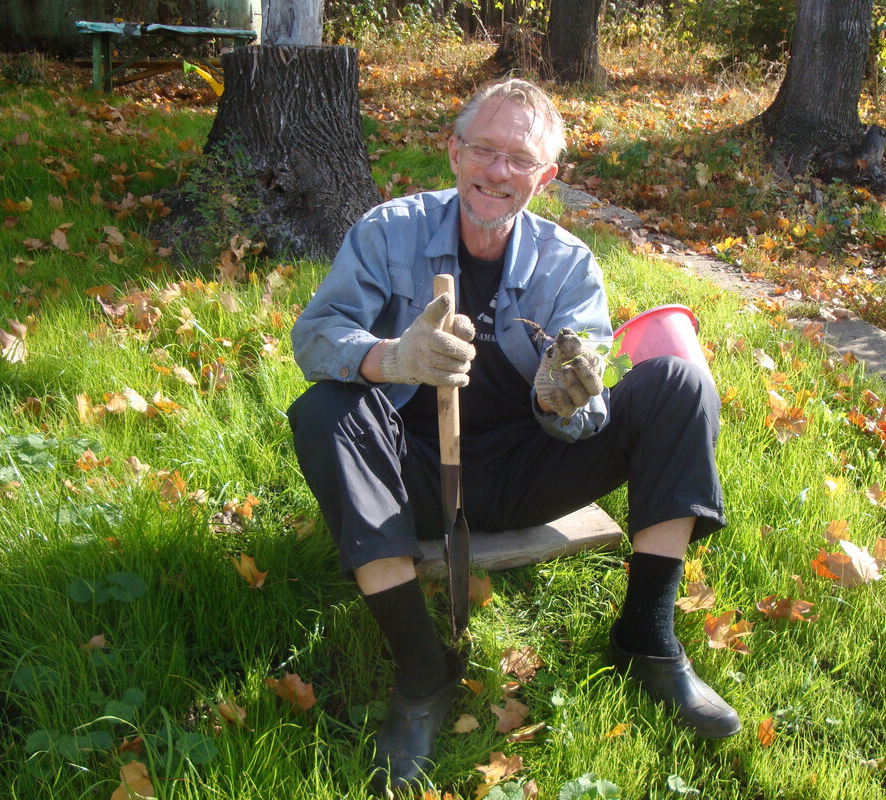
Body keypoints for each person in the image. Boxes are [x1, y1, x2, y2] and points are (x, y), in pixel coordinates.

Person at [288, 77, 739, 794]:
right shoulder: (387, 232)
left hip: (535, 474)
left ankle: (648, 639)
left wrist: (566, 397)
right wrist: (392, 358)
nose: (497, 172)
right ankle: (422, 672)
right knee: (323, 410)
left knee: (681, 383)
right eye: (483, 149)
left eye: (519, 160)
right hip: (415, 480)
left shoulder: (568, 264)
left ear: (546, 176)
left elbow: (586, 403)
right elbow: (315, 338)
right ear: (453, 151)